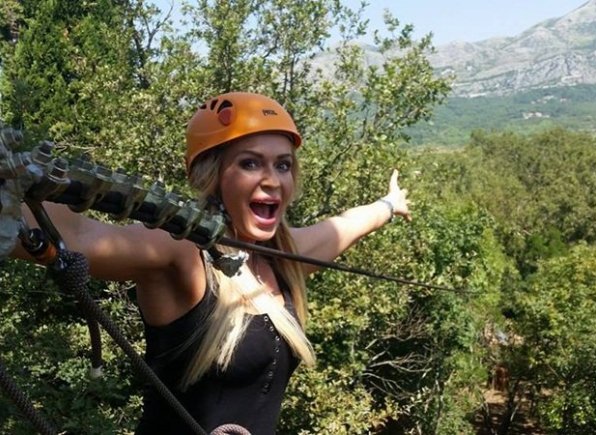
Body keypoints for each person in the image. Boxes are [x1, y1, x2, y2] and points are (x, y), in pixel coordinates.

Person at [13, 92, 410, 434]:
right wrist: (9, 187)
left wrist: (389, 205)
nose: (273, 179)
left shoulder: (283, 259)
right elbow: (82, 235)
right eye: (250, 163)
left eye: (283, 164)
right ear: (213, 175)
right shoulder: (182, 254)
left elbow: (343, 227)